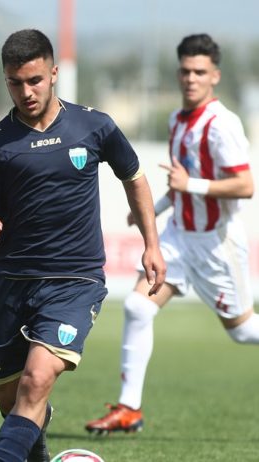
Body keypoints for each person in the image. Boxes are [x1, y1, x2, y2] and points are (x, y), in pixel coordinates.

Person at [0, 29, 166, 462]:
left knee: (36, 381)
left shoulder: (94, 126)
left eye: (35, 80)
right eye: (15, 82)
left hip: (74, 281)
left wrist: (151, 244)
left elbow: (134, 177)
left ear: (54, 73)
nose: (26, 92)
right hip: (13, 281)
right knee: (12, 402)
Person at [85, 33, 255, 435]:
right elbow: (179, 185)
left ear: (214, 76)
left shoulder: (222, 124)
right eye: (185, 71)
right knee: (137, 306)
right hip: (179, 236)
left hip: (216, 243)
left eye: (199, 72)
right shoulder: (177, 120)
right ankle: (129, 408)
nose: (191, 78)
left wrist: (190, 185)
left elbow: (245, 186)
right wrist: (151, 211)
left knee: (243, 331)